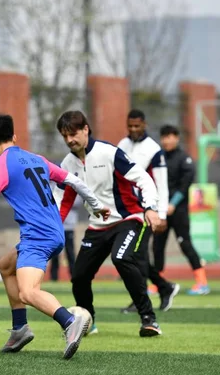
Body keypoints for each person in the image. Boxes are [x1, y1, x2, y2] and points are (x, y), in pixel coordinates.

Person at [0, 113, 110, 359]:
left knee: (27, 292)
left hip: (38, 236)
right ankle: (20, 328)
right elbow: (74, 180)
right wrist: (95, 206)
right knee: (6, 266)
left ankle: (70, 321)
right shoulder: (36, 158)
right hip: (54, 232)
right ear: (14, 136)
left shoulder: (1, 164)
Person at [53, 110, 163, 337]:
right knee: (79, 276)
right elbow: (63, 201)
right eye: (64, 136)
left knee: (121, 258)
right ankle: (87, 322)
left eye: (73, 134)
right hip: (96, 227)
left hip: (128, 220)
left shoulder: (109, 153)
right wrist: (52, 229)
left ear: (85, 129)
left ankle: (149, 319)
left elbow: (144, 179)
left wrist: (150, 208)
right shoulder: (67, 163)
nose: (69, 140)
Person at [117, 109, 180, 313]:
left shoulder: (154, 150)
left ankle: (142, 300)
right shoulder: (122, 145)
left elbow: (161, 185)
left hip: (148, 210)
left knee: (138, 255)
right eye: (130, 126)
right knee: (136, 255)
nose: (134, 129)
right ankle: (164, 287)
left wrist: (160, 215)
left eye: (137, 126)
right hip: (128, 209)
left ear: (144, 125)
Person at [157, 125, 209, 295]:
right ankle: (157, 283)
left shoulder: (184, 158)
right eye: (163, 137)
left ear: (176, 138)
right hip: (161, 211)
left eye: (169, 137)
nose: (166, 140)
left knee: (185, 244)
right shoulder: (159, 158)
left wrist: (173, 203)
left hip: (178, 211)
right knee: (157, 246)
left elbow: (185, 184)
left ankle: (202, 282)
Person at [49, 195, 80, 281]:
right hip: (56, 226)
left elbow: (77, 202)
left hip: (69, 226)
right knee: (54, 253)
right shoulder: (54, 188)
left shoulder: (72, 187)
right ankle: (53, 277)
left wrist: (64, 200)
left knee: (70, 252)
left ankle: (74, 276)